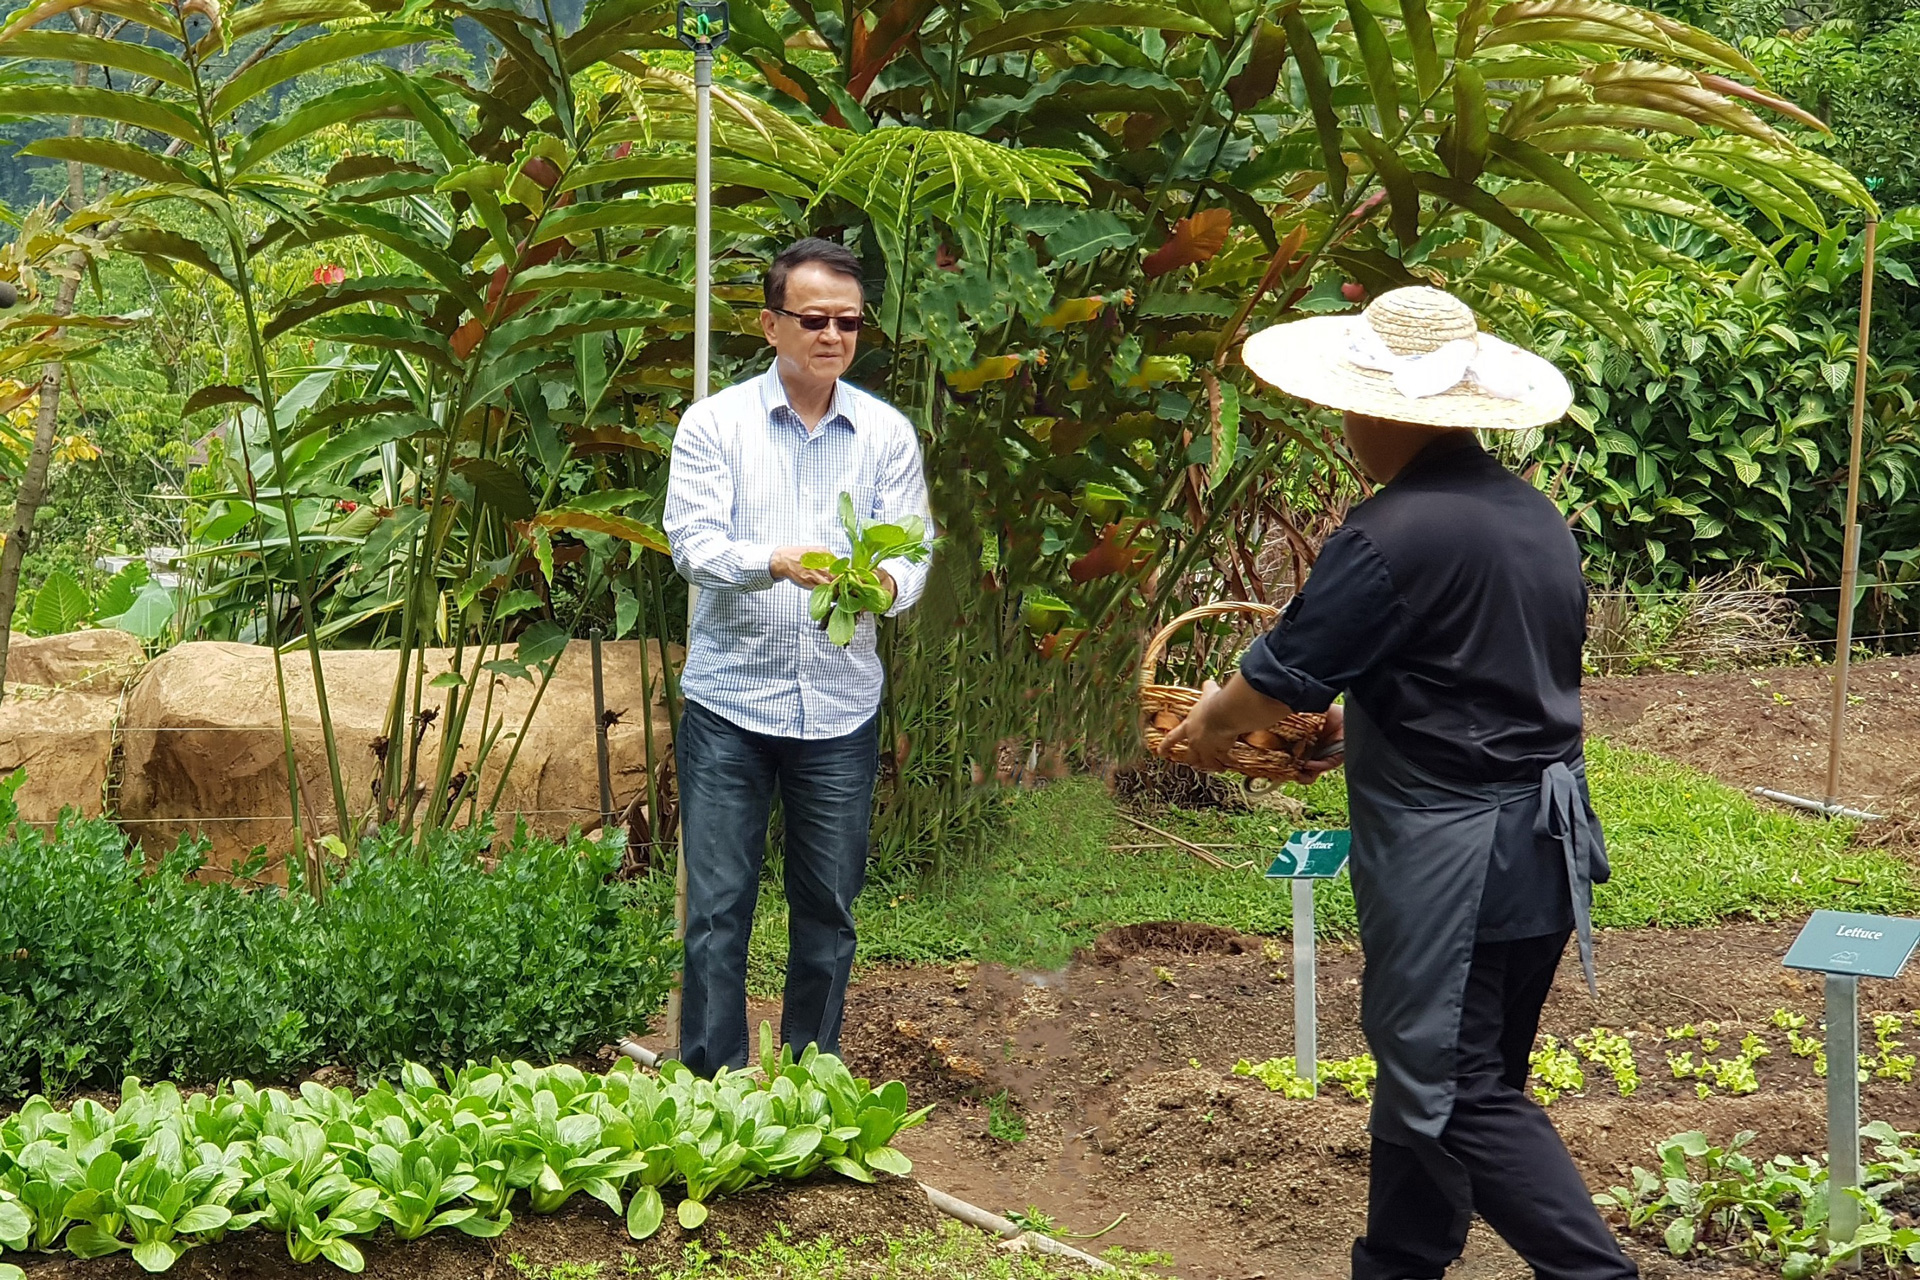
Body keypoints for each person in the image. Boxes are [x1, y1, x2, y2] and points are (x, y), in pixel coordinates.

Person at [1158, 286, 1634, 1280]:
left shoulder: (1391, 531)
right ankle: (1401, 1258)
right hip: (1541, 852)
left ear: (1382, 410)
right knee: (1455, 1073)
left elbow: (1271, 676)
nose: (1343, 424)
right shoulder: (1532, 517)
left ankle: (1597, 1273)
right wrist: (1353, 724)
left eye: (1348, 404)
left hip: (1458, 864)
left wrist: (1206, 727)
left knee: (1454, 1088)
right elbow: (1477, 680)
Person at [662, 238, 932, 1077]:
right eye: (813, 319)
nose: (832, 336)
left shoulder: (885, 432)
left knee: (828, 910)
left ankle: (810, 1083)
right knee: (715, 910)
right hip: (730, 707)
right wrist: (773, 560)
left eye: (848, 322)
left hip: (840, 708)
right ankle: (712, 1087)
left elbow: (913, 551)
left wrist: (885, 584)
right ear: (770, 324)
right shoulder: (715, 425)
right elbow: (691, 546)